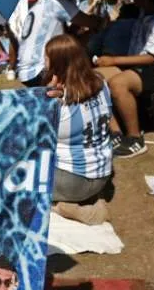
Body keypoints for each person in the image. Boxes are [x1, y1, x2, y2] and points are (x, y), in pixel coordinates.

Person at [94, 0, 154, 159]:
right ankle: (115, 133)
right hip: (135, 67)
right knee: (92, 78)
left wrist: (113, 61)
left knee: (118, 84)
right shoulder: (143, 12)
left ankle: (135, 139)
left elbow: (151, 58)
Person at [42, 35, 113, 225]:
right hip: (103, 174)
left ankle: (68, 207)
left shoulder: (58, 108)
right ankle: (85, 199)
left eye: (47, 58)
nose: (44, 61)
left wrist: (46, 94)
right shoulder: (101, 83)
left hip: (73, 181)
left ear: (59, 63)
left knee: (18, 175)